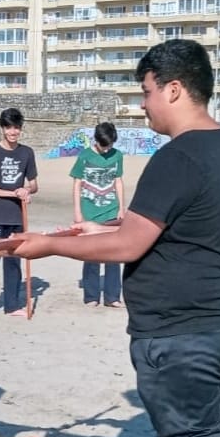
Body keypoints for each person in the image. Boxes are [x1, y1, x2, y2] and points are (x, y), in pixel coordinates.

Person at [11, 39, 220, 437]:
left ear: (173, 88)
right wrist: (84, 232)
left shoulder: (179, 155)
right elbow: (161, 224)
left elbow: (133, 242)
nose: (142, 106)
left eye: (146, 92)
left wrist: (48, 246)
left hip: (180, 328)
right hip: (219, 319)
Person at [0, 107, 38, 318]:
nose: (13, 132)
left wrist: (26, 190)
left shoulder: (26, 152)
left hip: (17, 215)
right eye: (9, 127)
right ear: (2, 128)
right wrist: (11, 193)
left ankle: (12, 305)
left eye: (17, 128)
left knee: (14, 260)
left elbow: (34, 184)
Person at [70, 121, 126, 307]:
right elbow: (77, 183)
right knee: (91, 253)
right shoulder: (85, 156)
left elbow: (118, 181)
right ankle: (91, 296)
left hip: (111, 209)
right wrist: (78, 212)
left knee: (113, 254)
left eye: (110, 145)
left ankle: (113, 297)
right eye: (104, 145)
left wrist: (121, 208)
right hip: (89, 210)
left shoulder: (117, 156)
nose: (107, 149)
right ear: (96, 140)